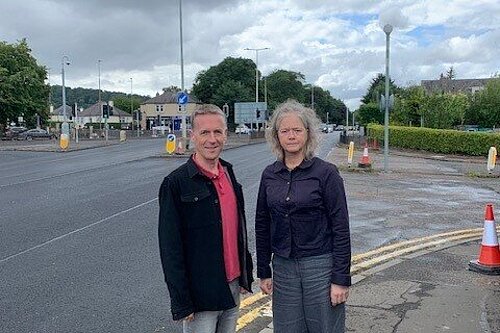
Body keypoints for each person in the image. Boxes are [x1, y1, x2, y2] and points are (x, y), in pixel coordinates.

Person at [255, 100, 351, 333]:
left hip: (320, 266)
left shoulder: (326, 173)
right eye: (285, 131)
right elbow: (262, 224)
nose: (291, 136)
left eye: (297, 130)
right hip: (283, 268)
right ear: (276, 136)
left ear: (308, 134)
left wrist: (340, 278)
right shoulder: (270, 175)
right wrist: (264, 271)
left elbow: (340, 228)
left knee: (324, 328)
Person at [158, 104, 253, 333]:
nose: (212, 139)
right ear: (193, 136)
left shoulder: (229, 174)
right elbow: (170, 248)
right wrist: (181, 301)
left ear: (226, 135)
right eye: (205, 132)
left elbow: (238, 228)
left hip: (232, 286)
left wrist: (245, 274)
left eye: (217, 132)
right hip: (200, 295)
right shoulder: (176, 183)